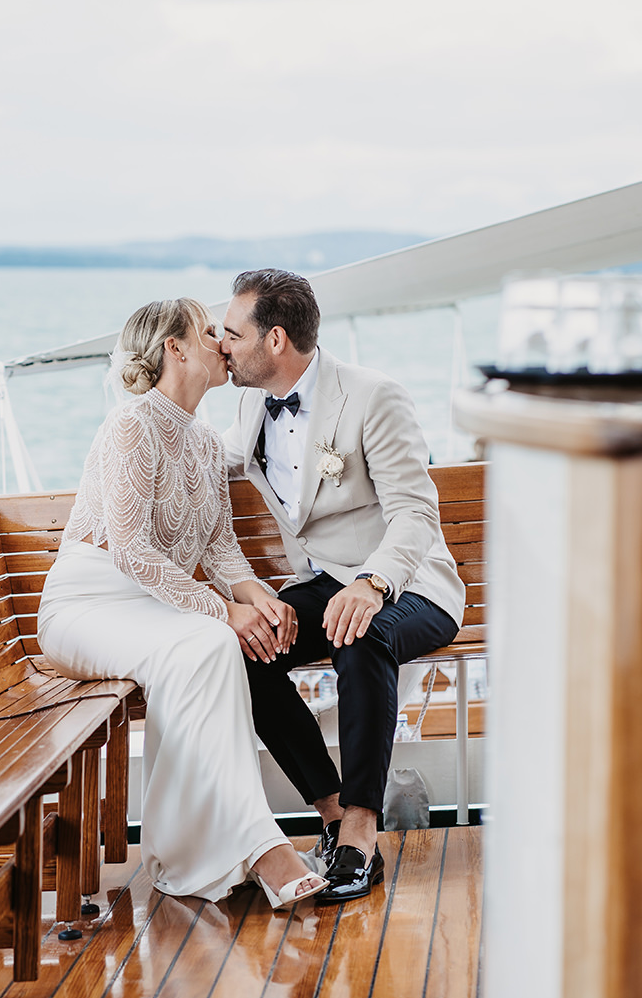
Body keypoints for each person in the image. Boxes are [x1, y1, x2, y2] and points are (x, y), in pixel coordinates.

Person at [37, 297, 328, 909]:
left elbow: (221, 550)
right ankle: (262, 848)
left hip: (151, 607)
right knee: (211, 638)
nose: (225, 341)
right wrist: (223, 611)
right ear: (175, 348)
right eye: (208, 332)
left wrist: (260, 601)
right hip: (86, 605)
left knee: (216, 644)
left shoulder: (201, 441)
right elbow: (132, 552)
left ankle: (189, 846)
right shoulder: (130, 425)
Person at [221, 270, 465, 903]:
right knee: (247, 647)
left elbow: (415, 511)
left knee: (359, 632)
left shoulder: (372, 396)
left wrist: (373, 583)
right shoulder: (250, 402)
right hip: (326, 582)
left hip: (413, 585)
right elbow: (215, 461)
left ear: (275, 340)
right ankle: (330, 813)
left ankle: (362, 833)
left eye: (232, 333)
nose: (222, 345)